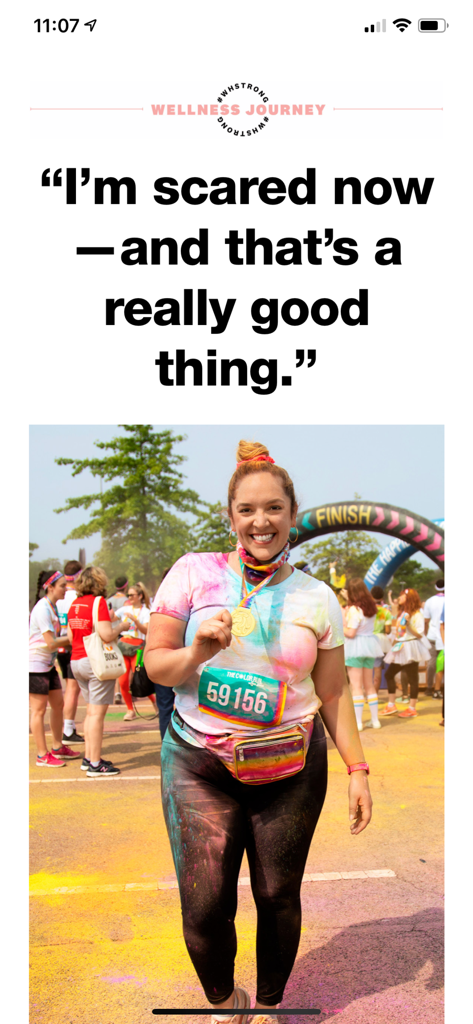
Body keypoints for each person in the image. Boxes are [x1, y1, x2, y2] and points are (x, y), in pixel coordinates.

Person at [144, 440, 372, 1021]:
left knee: (276, 896)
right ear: (231, 517)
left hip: (291, 766)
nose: (260, 521)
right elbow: (156, 667)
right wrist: (197, 648)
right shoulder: (193, 573)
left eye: (273, 508)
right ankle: (227, 1001)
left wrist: (358, 770)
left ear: (292, 514)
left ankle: (268, 1006)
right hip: (200, 759)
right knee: (202, 906)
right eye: (247, 510)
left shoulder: (316, 596)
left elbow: (333, 694)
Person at [67, 566, 129, 776]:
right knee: (96, 715)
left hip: (76, 660)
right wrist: (121, 627)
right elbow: (105, 634)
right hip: (94, 662)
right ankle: (94, 763)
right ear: (99, 582)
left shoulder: (74, 604)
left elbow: (70, 637)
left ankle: (89, 757)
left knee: (90, 712)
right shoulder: (98, 602)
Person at [29, 570, 81, 767]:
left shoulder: (52, 607)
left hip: (47, 664)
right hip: (35, 664)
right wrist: (72, 639)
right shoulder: (42, 608)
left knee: (58, 704)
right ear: (50, 587)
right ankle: (42, 755)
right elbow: (51, 643)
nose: (65, 589)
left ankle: (58, 747)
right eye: (61, 586)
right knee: (38, 710)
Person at [380, 588, 431, 719]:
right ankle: (391, 705)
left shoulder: (417, 614)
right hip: (400, 646)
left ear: (409, 598)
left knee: (412, 678)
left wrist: (408, 625)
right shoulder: (403, 612)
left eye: (402, 596)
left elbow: (420, 633)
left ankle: (412, 708)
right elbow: (399, 631)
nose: (400, 598)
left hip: (411, 647)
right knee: (389, 674)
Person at [341, 579, 384, 731]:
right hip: (370, 646)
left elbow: (351, 633)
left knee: (356, 686)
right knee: (369, 685)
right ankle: (375, 720)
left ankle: (358, 722)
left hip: (354, 648)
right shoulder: (371, 607)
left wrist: (341, 625)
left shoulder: (353, 610)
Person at [115, 582, 156, 721]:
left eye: (132, 595)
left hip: (138, 647)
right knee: (123, 681)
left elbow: (145, 630)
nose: (129, 597)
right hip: (124, 646)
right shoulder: (124, 609)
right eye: (128, 595)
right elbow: (110, 618)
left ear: (140, 596)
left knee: (140, 679)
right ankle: (130, 709)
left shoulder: (145, 612)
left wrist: (135, 620)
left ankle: (154, 701)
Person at [56, 560, 84, 742]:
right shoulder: (78, 598)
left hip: (60, 647)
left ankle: (68, 727)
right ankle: (67, 729)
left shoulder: (59, 596)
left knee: (69, 689)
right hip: (74, 646)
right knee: (72, 690)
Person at [152, 569, 176, 740]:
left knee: (165, 707)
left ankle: (167, 747)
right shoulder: (189, 599)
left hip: (166, 659)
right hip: (176, 659)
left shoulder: (158, 603)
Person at [108, 575, 130, 705]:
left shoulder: (109, 600)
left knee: (116, 663)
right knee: (126, 666)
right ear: (126, 586)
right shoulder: (126, 601)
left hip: (110, 634)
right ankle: (126, 691)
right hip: (122, 635)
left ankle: (117, 692)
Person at [424, 579, 445, 697]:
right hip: (445, 637)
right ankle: (439, 688)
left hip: (432, 635)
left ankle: (429, 687)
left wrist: (426, 633)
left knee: (431, 663)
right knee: (443, 664)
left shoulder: (429, 601)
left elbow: (426, 620)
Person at [370, 585, 393, 694]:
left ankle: (363, 695)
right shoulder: (386, 612)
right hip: (380, 642)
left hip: (365, 641)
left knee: (364, 671)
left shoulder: (365, 610)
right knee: (377, 670)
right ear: (382, 597)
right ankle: (374, 695)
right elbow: (388, 631)